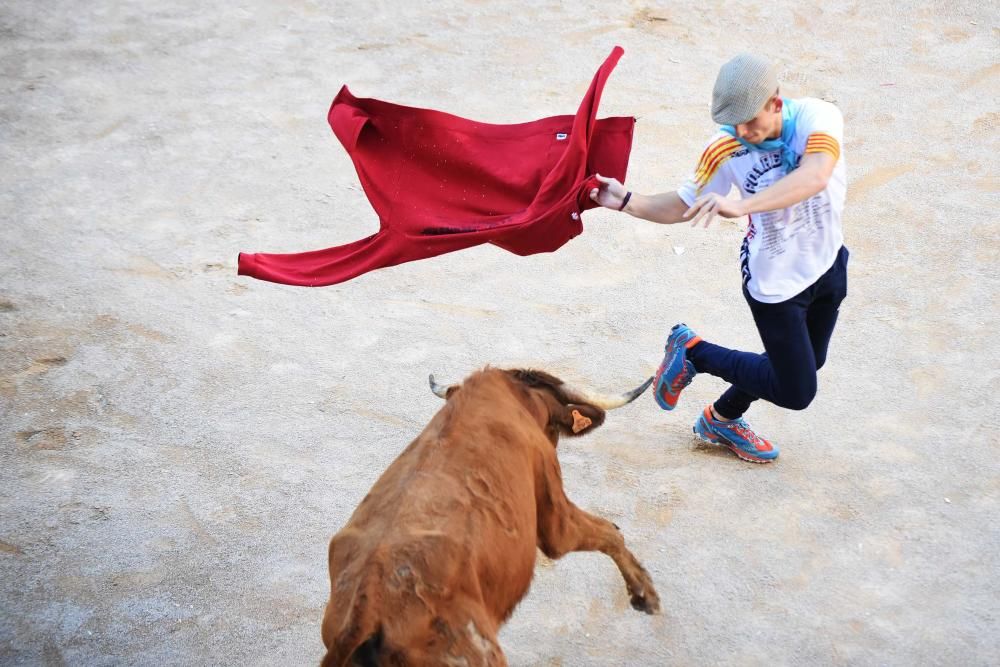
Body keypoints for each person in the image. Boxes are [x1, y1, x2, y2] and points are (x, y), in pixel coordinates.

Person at [590, 53, 848, 464]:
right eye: (734, 123)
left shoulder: (817, 118)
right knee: (797, 391)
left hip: (829, 265)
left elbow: (816, 174)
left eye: (751, 120)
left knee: (809, 360)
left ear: (776, 103)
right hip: (776, 285)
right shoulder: (725, 147)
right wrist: (623, 200)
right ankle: (694, 352)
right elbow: (680, 205)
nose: (743, 131)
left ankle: (722, 419)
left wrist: (744, 206)